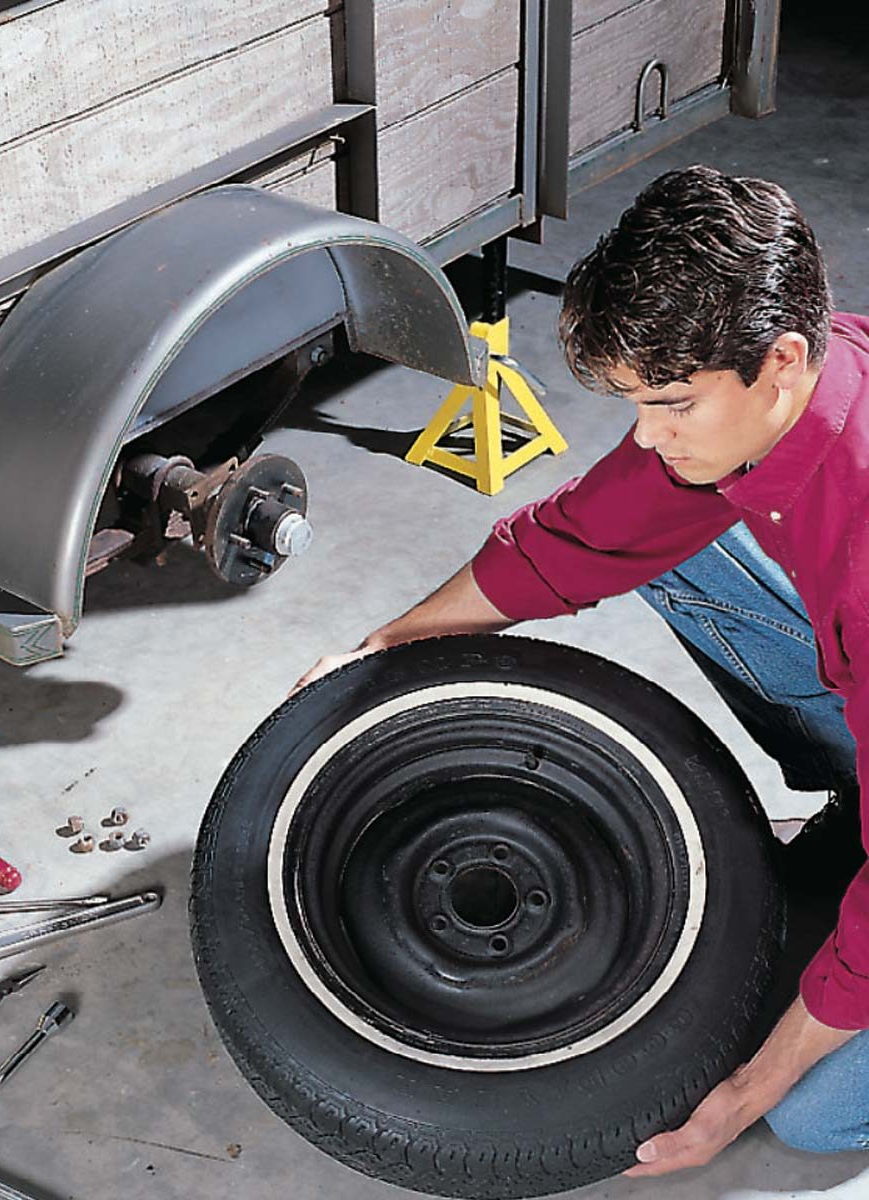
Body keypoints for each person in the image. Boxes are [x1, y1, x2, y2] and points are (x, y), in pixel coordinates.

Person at [295, 165, 869, 1175]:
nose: (648, 433)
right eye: (640, 402)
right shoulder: (805, 386)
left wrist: (743, 1088)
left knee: (809, 1117)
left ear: (779, 361)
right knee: (675, 531)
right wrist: (389, 645)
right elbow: (578, 539)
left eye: (675, 403)